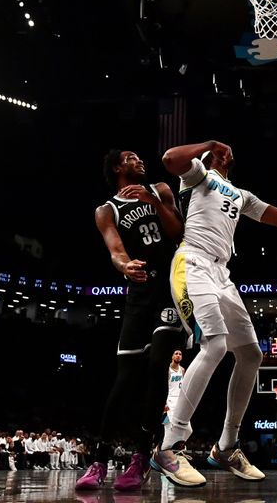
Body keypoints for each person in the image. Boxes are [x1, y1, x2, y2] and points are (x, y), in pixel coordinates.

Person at [151, 140, 277, 487]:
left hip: (222, 275)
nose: (222, 152)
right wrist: (209, 144)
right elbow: (170, 158)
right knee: (214, 346)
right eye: (217, 150)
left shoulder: (241, 194)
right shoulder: (198, 176)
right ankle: (169, 447)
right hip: (193, 263)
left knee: (251, 354)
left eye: (225, 150)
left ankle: (226, 447)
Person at [77, 150, 186, 492]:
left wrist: (154, 201)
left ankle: (140, 457)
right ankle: (99, 458)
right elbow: (115, 248)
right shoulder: (105, 210)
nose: (139, 160)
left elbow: (178, 231)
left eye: (139, 157)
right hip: (138, 293)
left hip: (169, 286)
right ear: (116, 167)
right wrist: (124, 265)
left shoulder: (160, 189)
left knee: (156, 367)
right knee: (125, 377)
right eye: (130, 157)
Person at [164, 349, 186, 423]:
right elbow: (162, 387)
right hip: (169, 400)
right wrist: (164, 403)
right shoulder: (167, 370)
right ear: (172, 356)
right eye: (176, 353)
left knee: (182, 426)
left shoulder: (182, 370)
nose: (178, 355)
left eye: (180, 354)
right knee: (167, 424)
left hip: (179, 400)